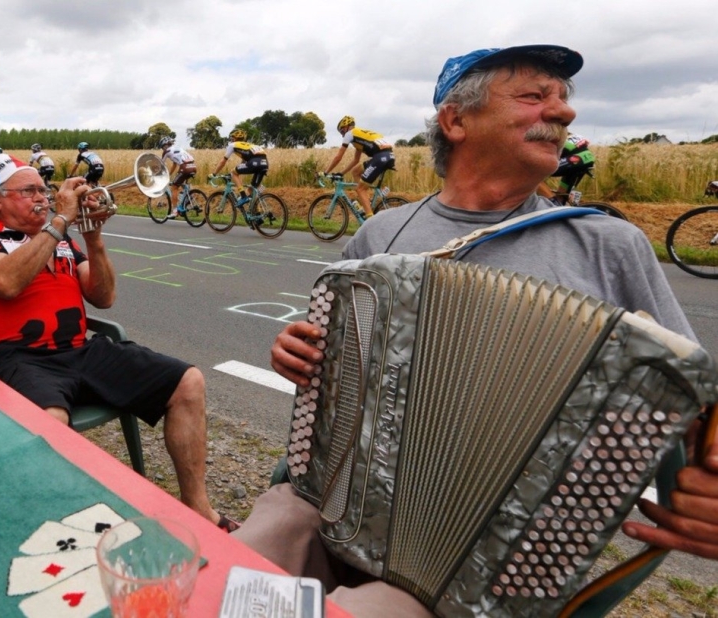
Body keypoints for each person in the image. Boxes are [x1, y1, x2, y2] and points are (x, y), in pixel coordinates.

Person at [235, 45, 718, 617]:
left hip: (491, 548)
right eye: (536, 96)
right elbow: (336, 372)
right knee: (240, 558)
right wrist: (299, 353)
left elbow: (697, 398)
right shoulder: (383, 232)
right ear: (456, 120)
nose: (563, 113)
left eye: (563, 99)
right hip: (346, 499)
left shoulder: (609, 245)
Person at [0, 153, 239, 532]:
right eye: (28, 190)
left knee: (189, 381)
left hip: (82, 351)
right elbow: (5, 283)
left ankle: (199, 510)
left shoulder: (63, 242)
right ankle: (56, 524)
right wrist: (58, 223)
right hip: (21, 359)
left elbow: (102, 297)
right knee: (50, 422)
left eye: (44, 189)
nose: (41, 197)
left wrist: (93, 236)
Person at [322, 116, 395, 218]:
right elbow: (355, 160)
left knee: (360, 189)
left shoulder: (350, 133)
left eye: (342, 131)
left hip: (380, 157)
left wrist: (326, 172)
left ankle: (370, 220)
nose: (342, 135)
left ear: (348, 127)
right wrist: (342, 173)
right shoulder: (358, 136)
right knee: (356, 171)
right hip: (388, 156)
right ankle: (366, 204)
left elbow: (338, 157)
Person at [209, 129, 268, 207]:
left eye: (232, 138)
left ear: (234, 139)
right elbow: (243, 162)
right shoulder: (249, 145)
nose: (231, 140)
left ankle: (243, 196)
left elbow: (223, 161)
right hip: (265, 164)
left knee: (233, 172)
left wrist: (214, 174)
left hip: (255, 163)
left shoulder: (233, 145)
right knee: (252, 190)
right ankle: (257, 215)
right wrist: (239, 171)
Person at [156, 136, 197, 219]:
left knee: (174, 187)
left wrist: (158, 175)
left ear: (165, 145)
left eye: (162, 147)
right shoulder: (177, 148)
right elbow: (175, 165)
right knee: (181, 183)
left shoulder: (166, 151)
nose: (162, 149)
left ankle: (175, 211)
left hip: (184, 167)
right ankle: (188, 198)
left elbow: (161, 165)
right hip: (193, 166)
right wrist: (169, 175)